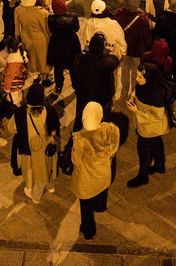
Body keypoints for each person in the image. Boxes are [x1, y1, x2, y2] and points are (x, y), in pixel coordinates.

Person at [74, 101, 120, 240]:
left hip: (87, 179)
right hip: (103, 172)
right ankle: (100, 206)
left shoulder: (80, 139)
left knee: (86, 206)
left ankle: (88, 231)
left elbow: (75, 161)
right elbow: (114, 148)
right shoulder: (111, 129)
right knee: (101, 189)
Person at [11, 82, 60, 203]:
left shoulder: (20, 113)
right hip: (47, 148)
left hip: (29, 149)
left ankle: (36, 196)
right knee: (49, 167)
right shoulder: (50, 110)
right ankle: (50, 186)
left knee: (35, 172)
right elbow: (55, 128)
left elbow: (11, 128)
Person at [126, 63, 170, 187]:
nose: (136, 79)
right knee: (156, 143)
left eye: (140, 77)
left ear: (148, 78)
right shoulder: (145, 87)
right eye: (137, 75)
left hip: (148, 128)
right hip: (152, 128)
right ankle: (159, 165)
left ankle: (143, 176)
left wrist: (137, 111)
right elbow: (136, 91)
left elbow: (157, 116)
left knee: (143, 151)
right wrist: (133, 98)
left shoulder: (156, 95)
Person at [71, 34, 120, 131]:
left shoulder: (79, 59)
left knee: (78, 119)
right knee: (102, 119)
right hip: (101, 97)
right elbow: (116, 59)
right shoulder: (107, 62)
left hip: (83, 95)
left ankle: (74, 136)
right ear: (102, 47)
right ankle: (100, 137)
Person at [115, 0, 153, 100]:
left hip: (125, 52)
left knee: (124, 73)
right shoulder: (142, 18)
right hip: (138, 53)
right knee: (136, 74)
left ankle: (124, 91)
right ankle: (133, 93)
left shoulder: (118, 14)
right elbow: (147, 38)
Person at [47, 0, 81, 95]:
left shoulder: (51, 19)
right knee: (73, 68)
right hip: (72, 46)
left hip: (57, 46)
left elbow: (51, 30)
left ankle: (58, 87)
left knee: (58, 68)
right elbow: (77, 29)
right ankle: (76, 86)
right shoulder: (73, 17)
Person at [14, 0, 50, 77]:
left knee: (31, 60)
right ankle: (45, 77)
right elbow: (47, 30)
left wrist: (18, 39)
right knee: (42, 60)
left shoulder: (18, 10)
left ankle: (35, 76)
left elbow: (17, 29)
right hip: (41, 40)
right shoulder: (42, 13)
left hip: (26, 38)